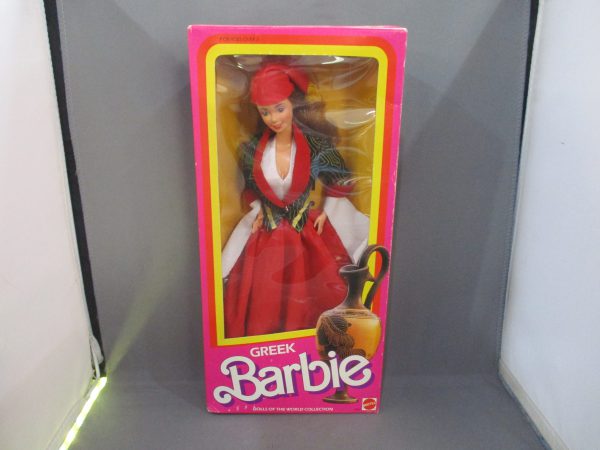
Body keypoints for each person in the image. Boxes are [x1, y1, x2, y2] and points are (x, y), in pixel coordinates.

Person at [221, 63, 369, 338]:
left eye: (279, 108)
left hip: (307, 230)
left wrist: (327, 210)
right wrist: (259, 208)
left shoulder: (316, 144)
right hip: (268, 235)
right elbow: (251, 188)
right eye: (265, 111)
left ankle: (312, 340)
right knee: (264, 296)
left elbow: (341, 177)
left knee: (316, 291)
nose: (273, 118)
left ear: (294, 105)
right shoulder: (252, 148)